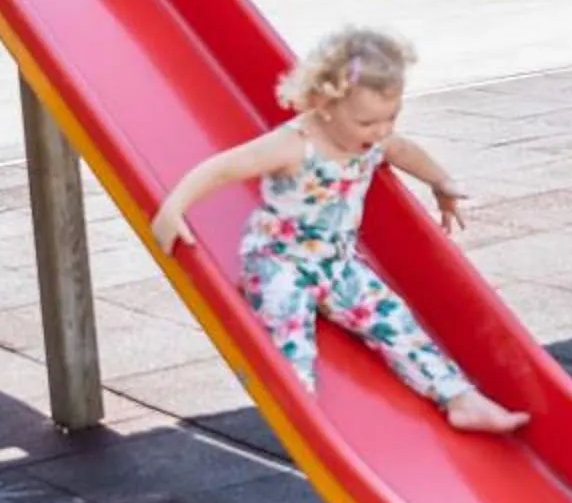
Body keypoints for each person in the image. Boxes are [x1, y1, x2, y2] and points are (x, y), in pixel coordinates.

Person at [150, 27, 528, 435]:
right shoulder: (293, 144)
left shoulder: (373, 141)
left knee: (394, 319)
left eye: (391, 117)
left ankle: (459, 398)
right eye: (368, 121)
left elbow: (404, 151)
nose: (381, 130)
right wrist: (174, 207)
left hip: (338, 263)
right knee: (288, 323)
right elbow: (224, 166)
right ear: (324, 104)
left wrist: (442, 183)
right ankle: (302, 404)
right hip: (279, 259)